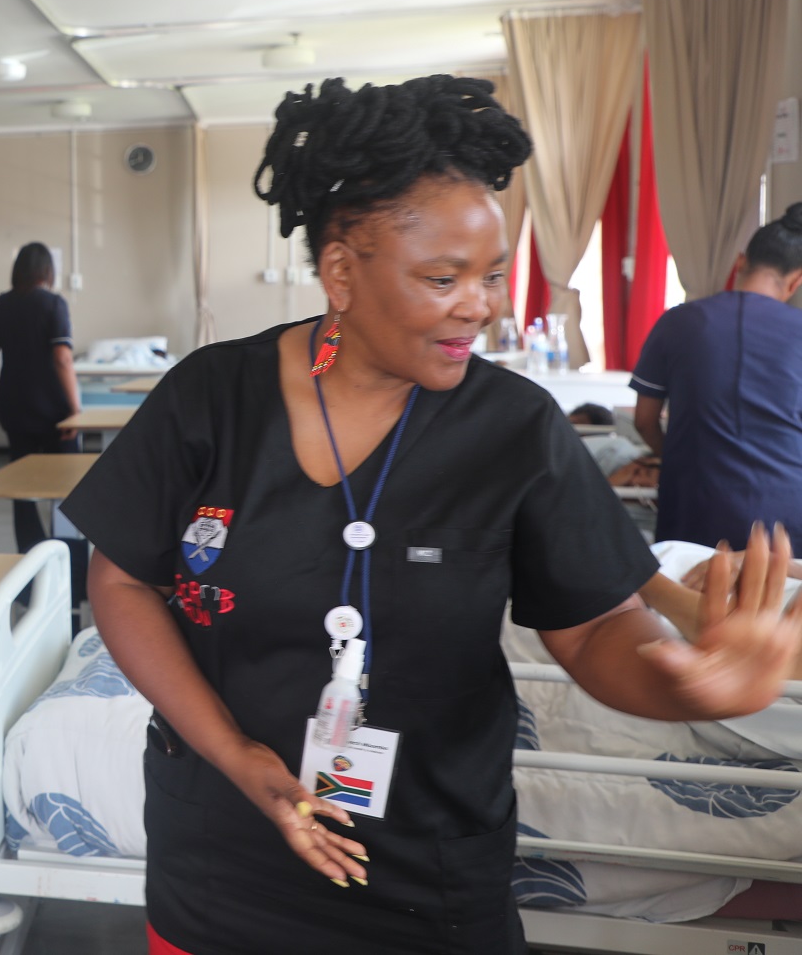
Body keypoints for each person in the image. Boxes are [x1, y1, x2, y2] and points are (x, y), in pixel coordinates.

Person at [60, 75, 802, 955]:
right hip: (224, 853)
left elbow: (599, 627)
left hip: (428, 866)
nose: (480, 306)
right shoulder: (211, 399)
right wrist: (238, 757)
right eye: (443, 278)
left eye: (491, 276)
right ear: (342, 270)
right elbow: (122, 578)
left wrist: (679, 682)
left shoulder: (514, 429)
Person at [631, 206, 802, 547]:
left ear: (740, 262)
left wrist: (681, 459)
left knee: (689, 599)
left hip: (694, 512)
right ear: (796, 281)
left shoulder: (677, 322)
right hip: (786, 522)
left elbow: (644, 420)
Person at [0, 243, 83, 553]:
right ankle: (68, 566)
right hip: (56, 410)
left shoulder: (1, 304)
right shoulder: (54, 304)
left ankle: (30, 561)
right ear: (48, 271)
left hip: (15, 406)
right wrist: (76, 410)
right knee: (65, 489)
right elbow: (63, 359)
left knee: (21, 489)